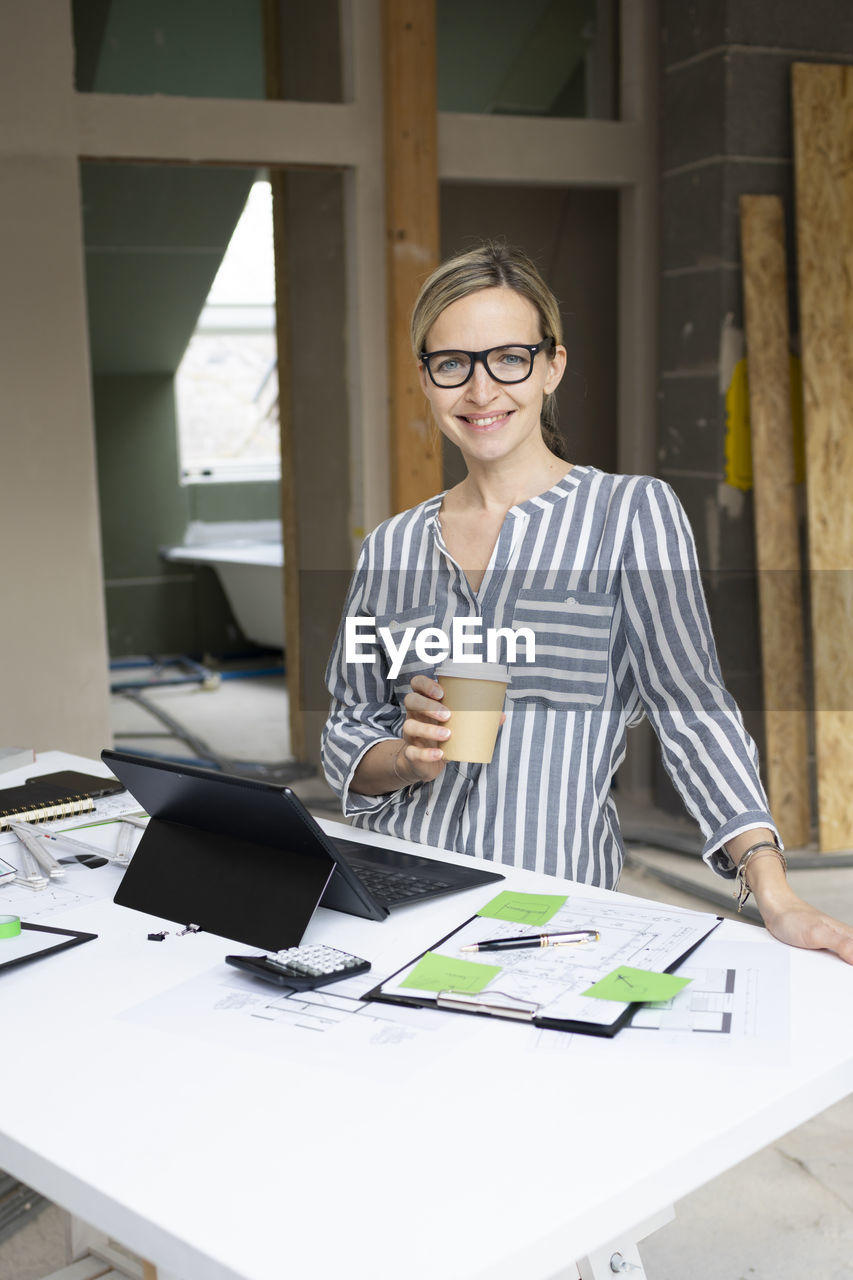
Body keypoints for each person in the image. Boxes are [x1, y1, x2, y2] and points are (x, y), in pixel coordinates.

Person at [322, 241, 853, 965]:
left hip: (555, 908)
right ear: (425, 378)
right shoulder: (390, 548)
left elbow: (691, 708)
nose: (481, 392)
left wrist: (773, 891)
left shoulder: (630, 515)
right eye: (453, 365)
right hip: (405, 894)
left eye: (508, 358)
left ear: (550, 366)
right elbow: (351, 722)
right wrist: (405, 760)